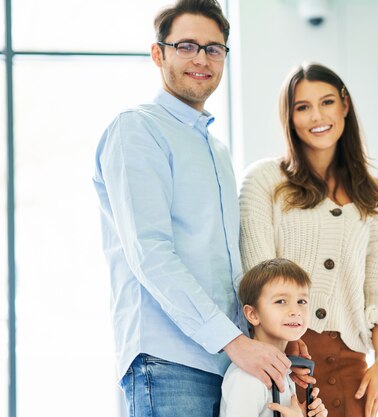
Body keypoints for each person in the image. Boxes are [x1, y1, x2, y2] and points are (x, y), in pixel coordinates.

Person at [93, 1, 296, 416]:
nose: (201, 59)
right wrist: (235, 342)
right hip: (168, 361)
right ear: (158, 53)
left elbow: (230, 268)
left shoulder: (217, 150)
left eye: (214, 48)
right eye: (186, 46)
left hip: (228, 362)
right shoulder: (137, 130)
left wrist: (268, 342)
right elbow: (151, 253)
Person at [239, 63, 378, 417]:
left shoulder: (371, 197)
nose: (317, 116)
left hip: (352, 367)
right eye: (302, 107)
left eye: (327, 102)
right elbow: (256, 277)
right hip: (287, 362)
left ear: (345, 105)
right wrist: (289, 349)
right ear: (289, 117)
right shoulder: (264, 180)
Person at [220, 258, 328, 417]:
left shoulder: (283, 373)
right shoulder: (246, 378)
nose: (295, 311)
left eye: (301, 301)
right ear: (253, 314)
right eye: (281, 301)